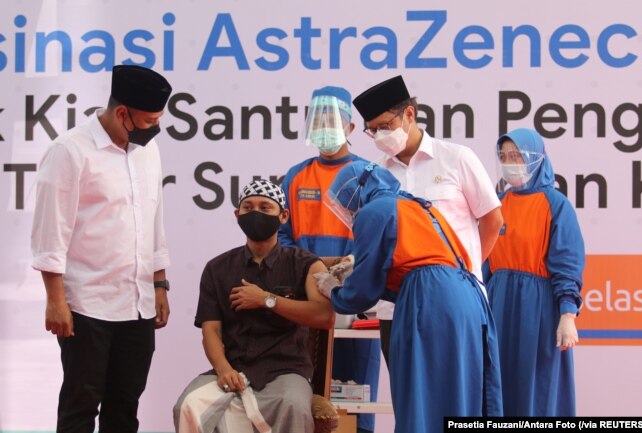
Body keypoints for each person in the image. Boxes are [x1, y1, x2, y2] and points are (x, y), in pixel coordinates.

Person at [30, 64, 173, 433]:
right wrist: (55, 300)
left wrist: (159, 283)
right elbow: (51, 233)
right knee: (80, 407)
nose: (154, 128)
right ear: (122, 113)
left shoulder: (148, 151)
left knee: (125, 406)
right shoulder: (69, 151)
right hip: (87, 305)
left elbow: (154, 219)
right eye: (148, 120)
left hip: (137, 302)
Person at [315, 161, 502, 433]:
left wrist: (335, 290)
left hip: (431, 301)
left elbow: (363, 293)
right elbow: (415, 263)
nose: (349, 211)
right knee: (461, 392)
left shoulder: (374, 211)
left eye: (347, 203)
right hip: (469, 300)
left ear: (357, 191)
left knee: (423, 395)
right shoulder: (420, 206)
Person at [352, 75, 503, 365]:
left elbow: (492, 220)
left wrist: (463, 275)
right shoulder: (374, 176)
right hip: (396, 309)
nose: (380, 136)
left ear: (409, 114)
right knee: (408, 400)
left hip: (453, 304)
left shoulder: (456, 158)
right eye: (372, 131)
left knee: (458, 395)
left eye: (385, 126)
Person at [173, 179, 335, 433]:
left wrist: (267, 300)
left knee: (292, 405)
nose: (255, 212)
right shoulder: (217, 268)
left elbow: (324, 316)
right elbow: (210, 330)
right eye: (248, 207)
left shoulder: (306, 264)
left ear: (283, 216)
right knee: (187, 405)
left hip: (286, 371)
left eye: (265, 207)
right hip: (234, 368)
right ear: (237, 215)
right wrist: (224, 370)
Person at [279, 86, 381, 433]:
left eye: (332, 120)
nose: (324, 127)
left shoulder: (370, 175)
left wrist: (346, 268)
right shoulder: (295, 177)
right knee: (303, 395)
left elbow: (379, 237)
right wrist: (310, 270)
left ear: (351, 127)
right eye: (317, 120)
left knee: (354, 395)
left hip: (355, 298)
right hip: (305, 300)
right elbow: (282, 236)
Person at [483, 128, 584, 416]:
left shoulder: (556, 204)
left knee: (537, 388)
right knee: (496, 386)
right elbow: (483, 262)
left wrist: (567, 314)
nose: (509, 162)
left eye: (516, 155)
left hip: (538, 310)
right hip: (498, 304)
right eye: (503, 156)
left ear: (537, 157)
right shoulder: (497, 203)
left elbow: (567, 262)